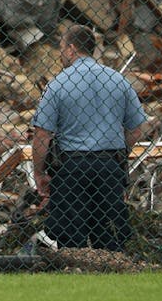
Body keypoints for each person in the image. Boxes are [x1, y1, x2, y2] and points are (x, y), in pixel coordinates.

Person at [30, 25, 147, 251]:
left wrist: (39, 171)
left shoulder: (58, 84)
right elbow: (135, 129)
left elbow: (42, 134)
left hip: (71, 168)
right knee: (110, 234)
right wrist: (120, 154)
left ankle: (74, 272)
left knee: (71, 239)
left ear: (72, 49)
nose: (61, 54)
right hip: (109, 166)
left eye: (62, 48)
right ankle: (112, 271)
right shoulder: (118, 80)